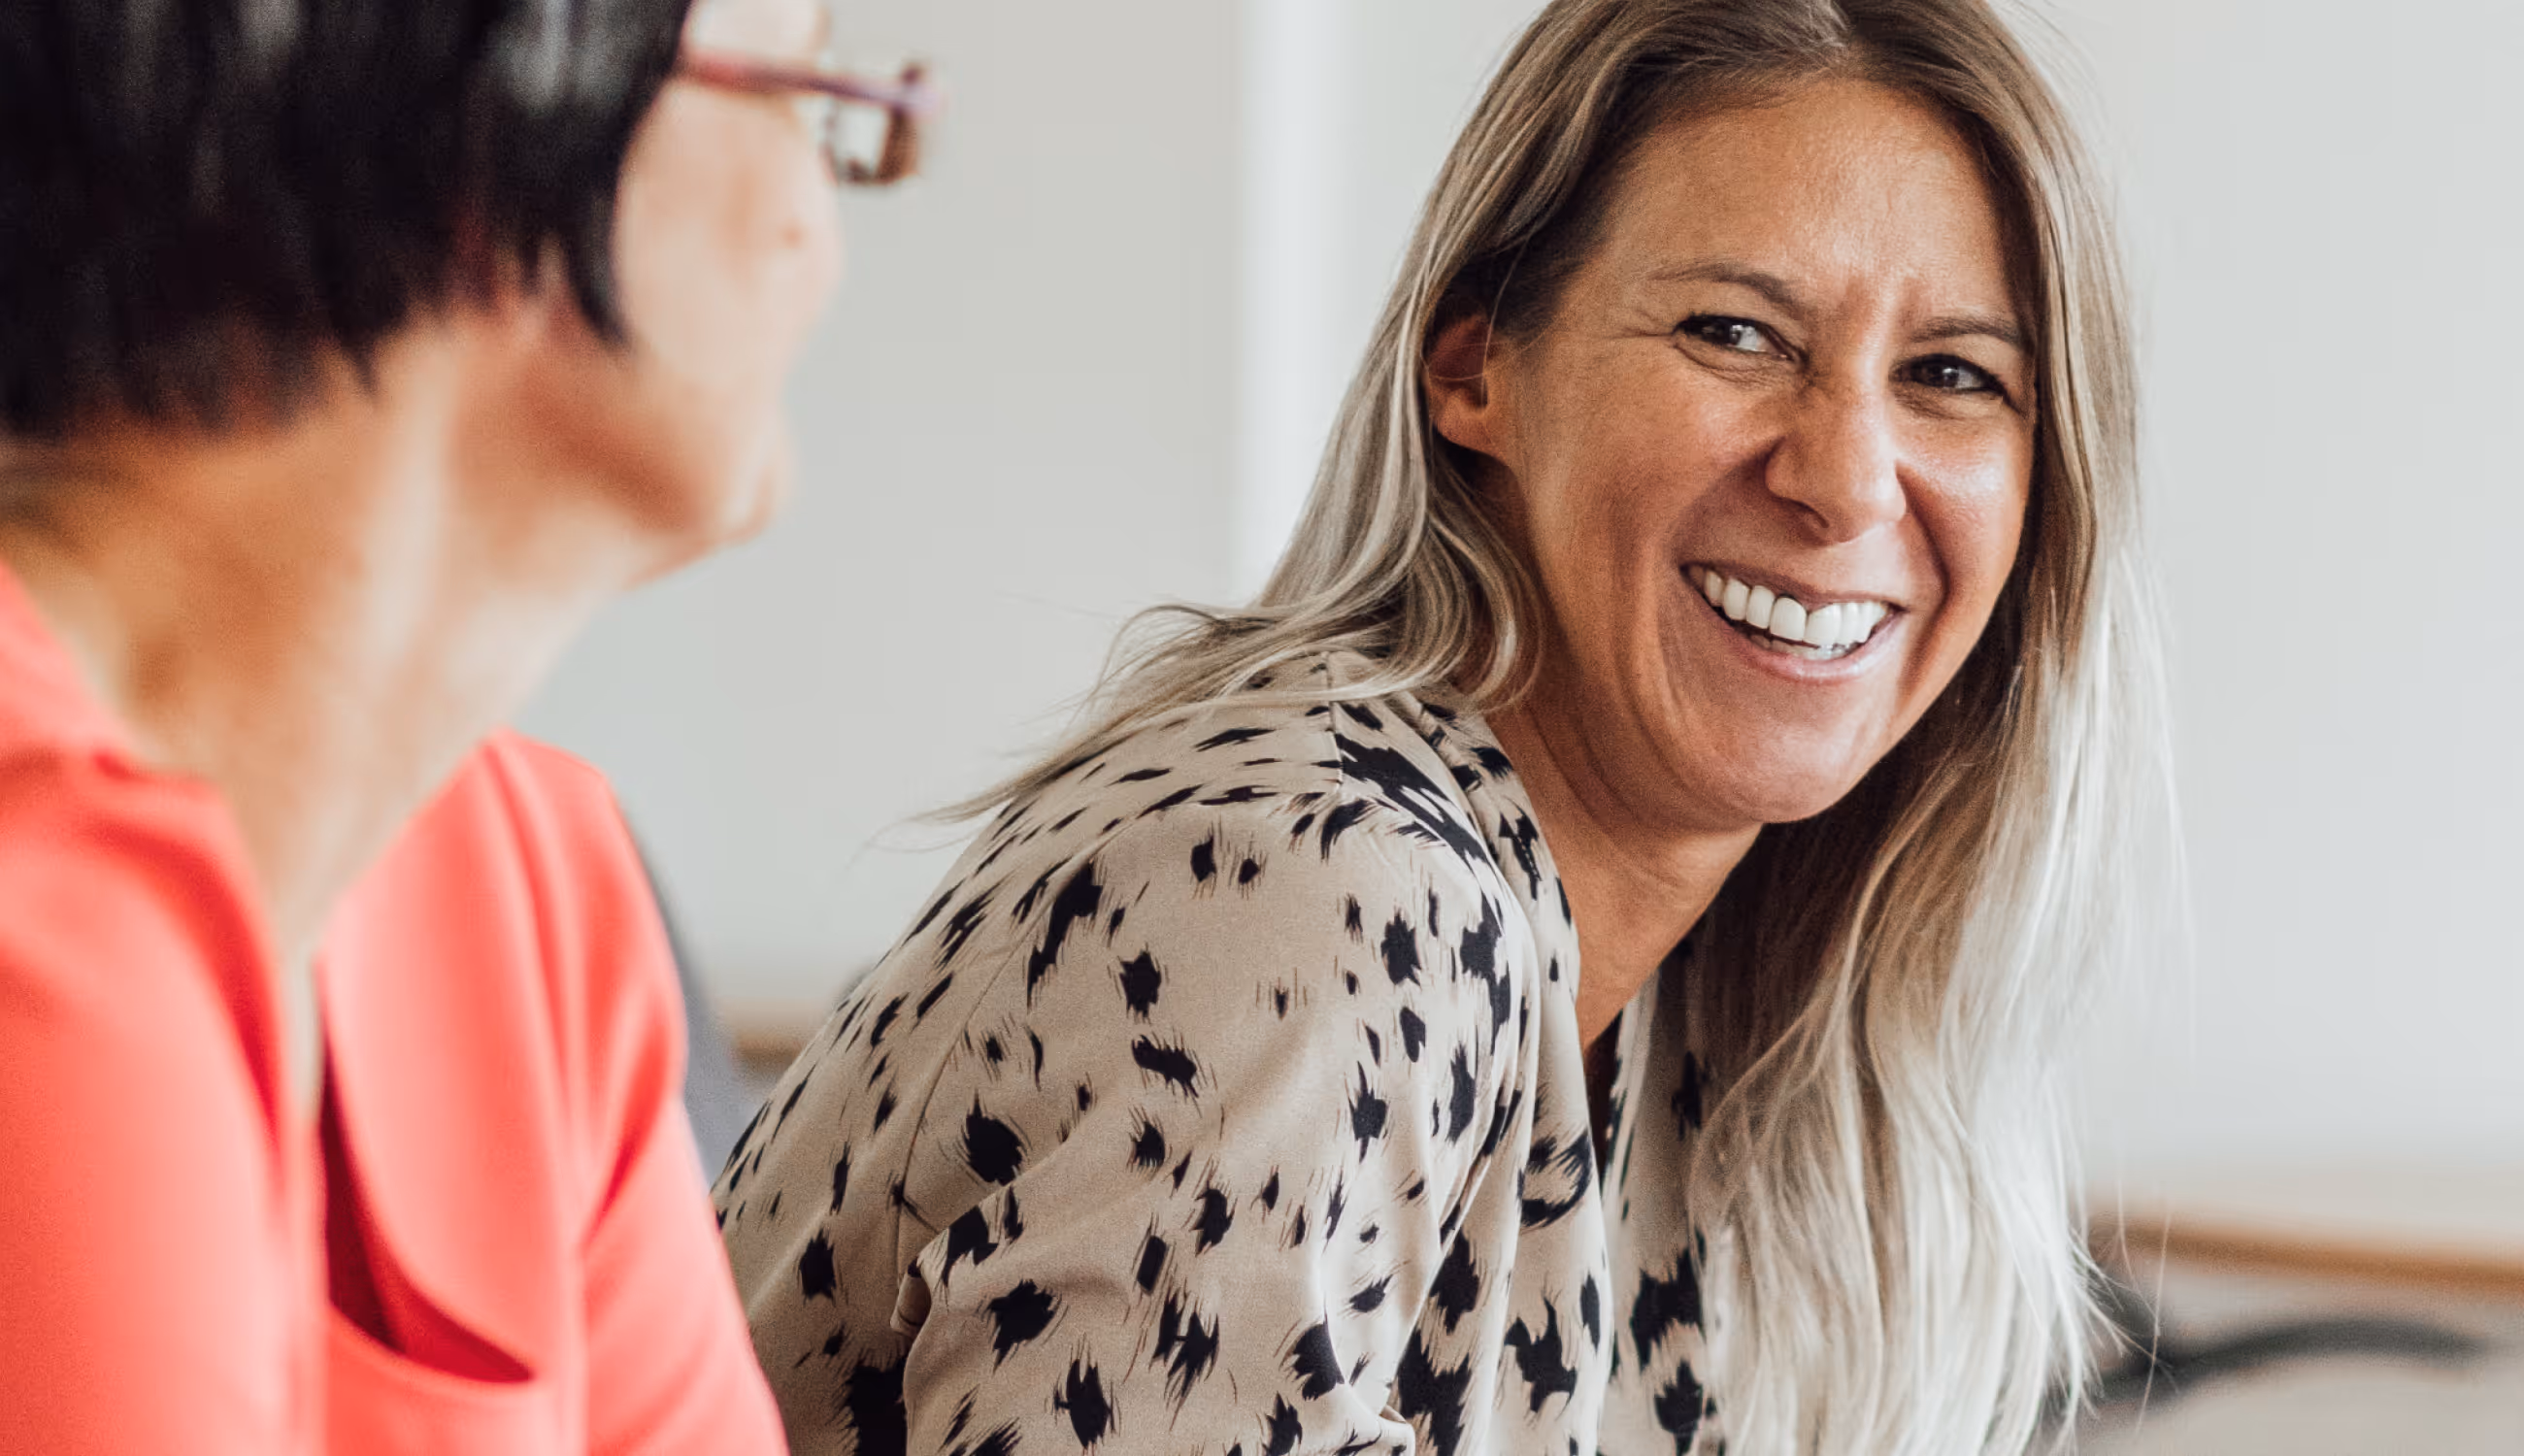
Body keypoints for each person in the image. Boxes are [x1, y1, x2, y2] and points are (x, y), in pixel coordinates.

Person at [715, 0, 2164, 1451]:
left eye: (1954, 376)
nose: (1846, 478)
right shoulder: (1314, 896)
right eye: (1735, 333)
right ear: (1476, 369)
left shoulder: (1721, 1007)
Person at [0, 0, 928, 1449]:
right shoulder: (36, 916)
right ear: (488, 115)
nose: (826, 228)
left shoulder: (543, 897)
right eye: (810, 99)